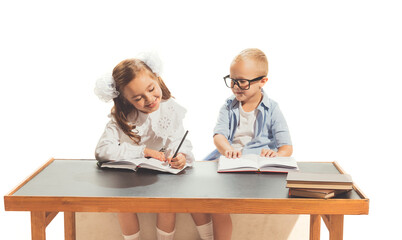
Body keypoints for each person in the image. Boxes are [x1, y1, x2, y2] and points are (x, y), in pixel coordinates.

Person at [94, 53, 212, 240]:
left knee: (168, 205)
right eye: (138, 98)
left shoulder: (169, 108)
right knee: (123, 207)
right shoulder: (122, 116)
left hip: (161, 175)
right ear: (126, 100)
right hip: (129, 178)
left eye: (151, 89)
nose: (149, 99)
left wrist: (180, 155)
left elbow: (180, 140)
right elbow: (102, 150)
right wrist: (143, 152)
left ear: (157, 79)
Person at [205, 48, 294, 239]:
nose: (236, 86)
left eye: (242, 82)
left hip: (258, 169)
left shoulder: (273, 109)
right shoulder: (228, 106)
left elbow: (286, 147)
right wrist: (227, 149)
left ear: (262, 81)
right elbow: (219, 135)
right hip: (231, 164)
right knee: (214, 203)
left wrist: (276, 155)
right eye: (232, 80)